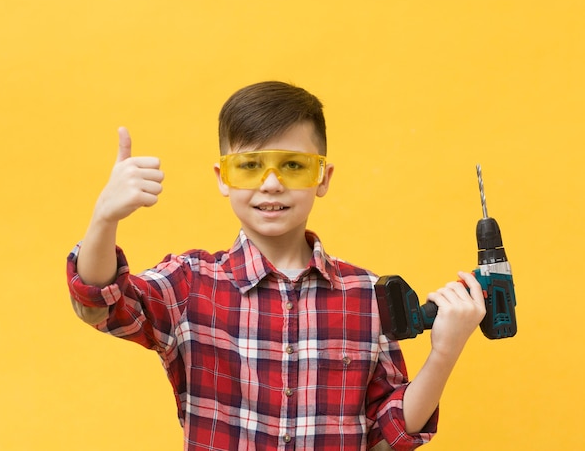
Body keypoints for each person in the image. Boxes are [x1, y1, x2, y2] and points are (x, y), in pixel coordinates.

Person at [67, 81, 486, 450]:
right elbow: (103, 304)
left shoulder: (368, 295)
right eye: (250, 166)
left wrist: (444, 352)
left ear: (323, 178)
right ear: (223, 178)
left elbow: (388, 436)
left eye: (293, 165)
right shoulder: (189, 283)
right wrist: (104, 219)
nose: (271, 183)